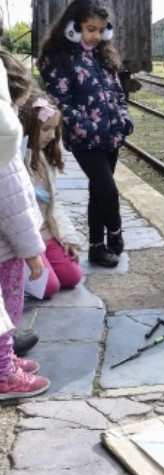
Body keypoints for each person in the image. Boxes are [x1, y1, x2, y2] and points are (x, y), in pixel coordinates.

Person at [37, 0, 134, 268]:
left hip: (112, 137)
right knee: (107, 189)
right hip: (85, 140)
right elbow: (61, 103)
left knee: (98, 191)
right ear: (72, 26)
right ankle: (115, 233)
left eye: (101, 30)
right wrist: (92, 127)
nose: (96, 36)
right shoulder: (56, 57)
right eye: (90, 28)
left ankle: (96, 247)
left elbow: (117, 93)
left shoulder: (103, 53)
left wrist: (125, 118)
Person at [0, 51, 50, 399]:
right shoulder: (3, 151)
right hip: (8, 248)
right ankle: (4, 372)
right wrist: (33, 252)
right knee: (5, 310)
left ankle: (6, 360)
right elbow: (14, 207)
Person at [20, 93, 84, 299]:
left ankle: (47, 262)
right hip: (28, 239)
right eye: (46, 129)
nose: (52, 135)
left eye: (55, 129)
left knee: (73, 276)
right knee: (49, 288)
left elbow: (54, 203)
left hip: (46, 233)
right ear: (28, 127)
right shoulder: (17, 163)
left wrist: (66, 237)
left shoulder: (42, 161)